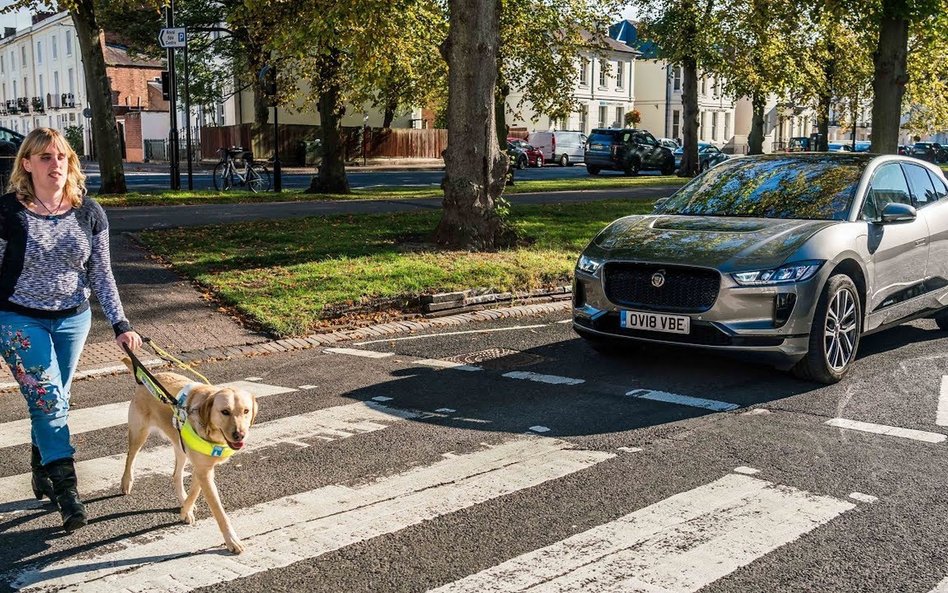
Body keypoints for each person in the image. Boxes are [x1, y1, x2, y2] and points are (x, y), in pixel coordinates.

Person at [0, 128, 142, 533]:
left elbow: (102, 275)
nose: (55, 164)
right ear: (26, 163)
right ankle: (68, 492)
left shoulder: (89, 212)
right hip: (17, 319)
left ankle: (41, 467)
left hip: (72, 320)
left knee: (53, 398)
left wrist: (120, 324)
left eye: (61, 156)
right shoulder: (7, 212)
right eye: (44, 157)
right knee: (48, 400)